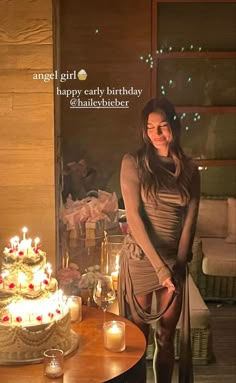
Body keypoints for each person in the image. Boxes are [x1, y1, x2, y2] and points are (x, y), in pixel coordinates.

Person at [117, 98, 200, 383]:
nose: (157, 133)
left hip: (172, 260)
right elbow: (134, 219)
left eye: (163, 126)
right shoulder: (133, 163)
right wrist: (159, 269)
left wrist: (177, 264)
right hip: (142, 258)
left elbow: (190, 222)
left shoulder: (189, 168)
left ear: (174, 126)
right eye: (151, 127)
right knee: (138, 339)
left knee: (166, 337)